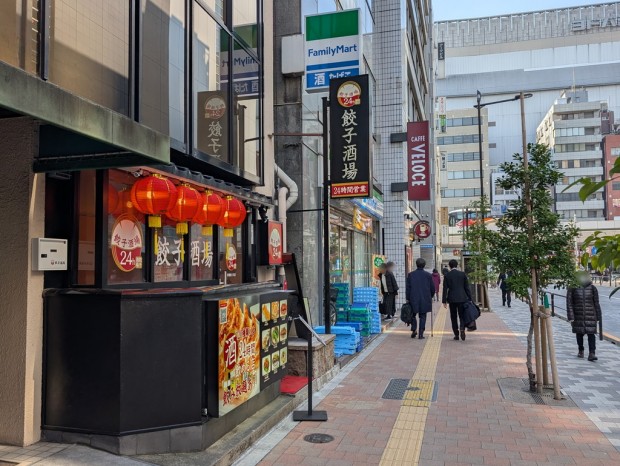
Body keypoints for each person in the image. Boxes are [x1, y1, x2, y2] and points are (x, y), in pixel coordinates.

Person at [567, 272, 602, 361]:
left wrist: (598, 316)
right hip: (578, 315)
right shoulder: (572, 288)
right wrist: (571, 316)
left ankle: (592, 353)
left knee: (591, 335)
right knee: (579, 334)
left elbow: (596, 303)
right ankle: (581, 350)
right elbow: (569, 303)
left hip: (591, 315)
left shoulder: (593, 288)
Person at [442, 259, 472, 341]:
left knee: (453, 316)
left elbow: (445, 289)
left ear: (449, 266)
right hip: (462, 298)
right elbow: (467, 287)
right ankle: (462, 327)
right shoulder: (462, 274)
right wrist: (470, 298)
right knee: (462, 315)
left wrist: (444, 301)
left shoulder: (447, 275)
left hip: (452, 299)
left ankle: (456, 334)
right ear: (457, 265)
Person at [406, 258, 435, 339]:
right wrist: (431, 296)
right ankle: (421, 334)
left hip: (413, 298)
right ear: (424, 265)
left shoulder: (411, 275)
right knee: (423, 316)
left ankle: (414, 329)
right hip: (425, 298)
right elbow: (432, 288)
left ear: (416, 264)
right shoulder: (428, 275)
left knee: (412, 314)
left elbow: (408, 288)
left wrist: (408, 298)